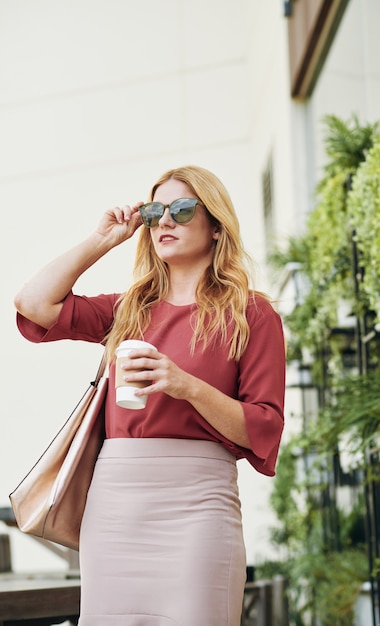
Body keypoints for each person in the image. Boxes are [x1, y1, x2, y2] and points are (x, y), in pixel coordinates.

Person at [14, 165, 286, 626]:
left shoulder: (252, 314)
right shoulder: (129, 307)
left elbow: (263, 426)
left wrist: (186, 386)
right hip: (116, 501)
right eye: (156, 211)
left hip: (200, 502)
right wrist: (102, 240)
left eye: (181, 210)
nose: (164, 222)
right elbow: (33, 302)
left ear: (216, 227)